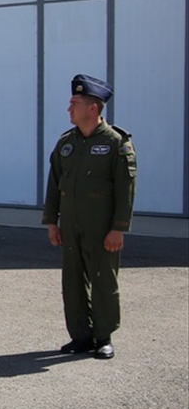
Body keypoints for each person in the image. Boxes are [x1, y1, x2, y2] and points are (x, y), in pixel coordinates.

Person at [43, 74, 136, 360]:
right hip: (71, 224)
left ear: (92, 108)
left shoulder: (115, 143)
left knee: (103, 280)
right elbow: (54, 182)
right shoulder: (66, 143)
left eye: (75, 103)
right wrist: (51, 221)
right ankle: (81, 335)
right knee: (72, 281)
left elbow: (126, 188)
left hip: (102, 227)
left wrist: (119, 228)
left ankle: (103, 336)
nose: (69, 109)